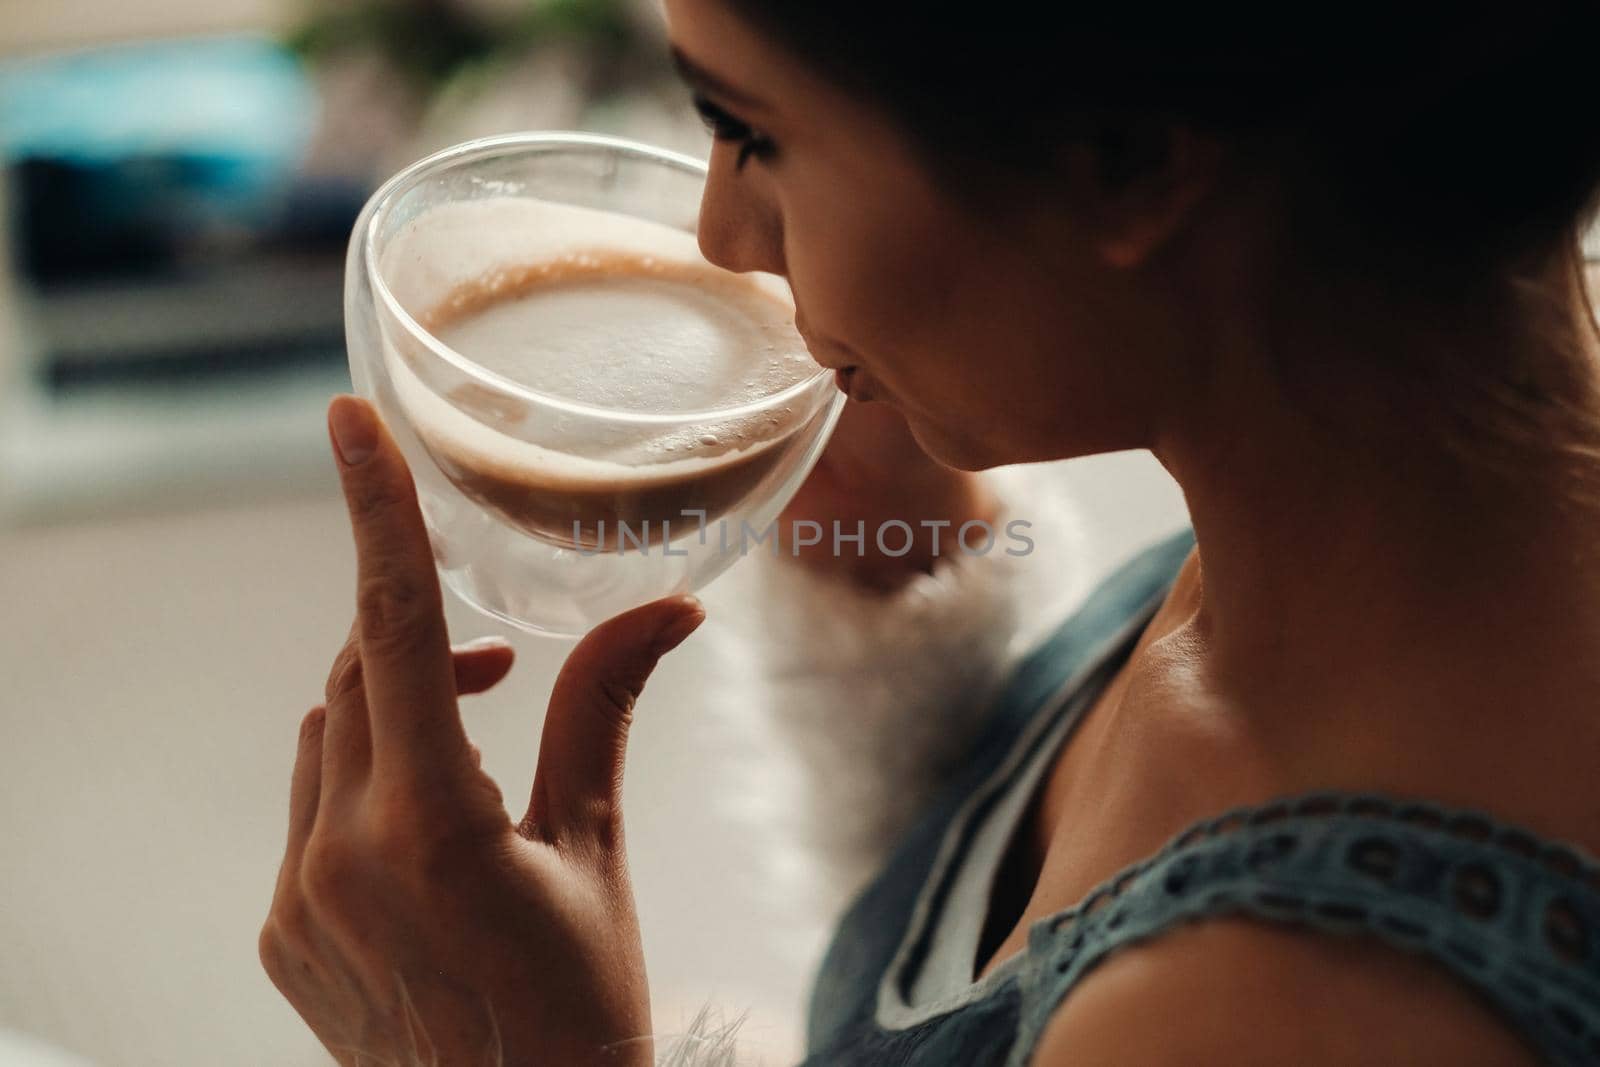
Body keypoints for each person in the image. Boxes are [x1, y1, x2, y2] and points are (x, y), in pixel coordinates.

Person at [258, 1, 1600, 1063]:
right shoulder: (1368, 528)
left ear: (1124, 157)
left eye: (754, 133)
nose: (727, 233)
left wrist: (514, 1060)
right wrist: (906, 586)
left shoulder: (1281, 1017)